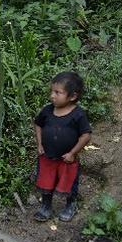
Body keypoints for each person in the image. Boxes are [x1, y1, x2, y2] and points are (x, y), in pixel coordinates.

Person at [33, 71, 92, 222]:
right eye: (52, 91)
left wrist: (72, 153)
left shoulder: (78, 115)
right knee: (46, 181)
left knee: (69, 182)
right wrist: (40, 144)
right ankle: (46, 206)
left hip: (67, 159)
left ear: (73, 96)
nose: (52, 96)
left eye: (57, 92)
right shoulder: (47, 110)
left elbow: (85, 136)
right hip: (47, 156)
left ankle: (70, 205)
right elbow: (38, 125)